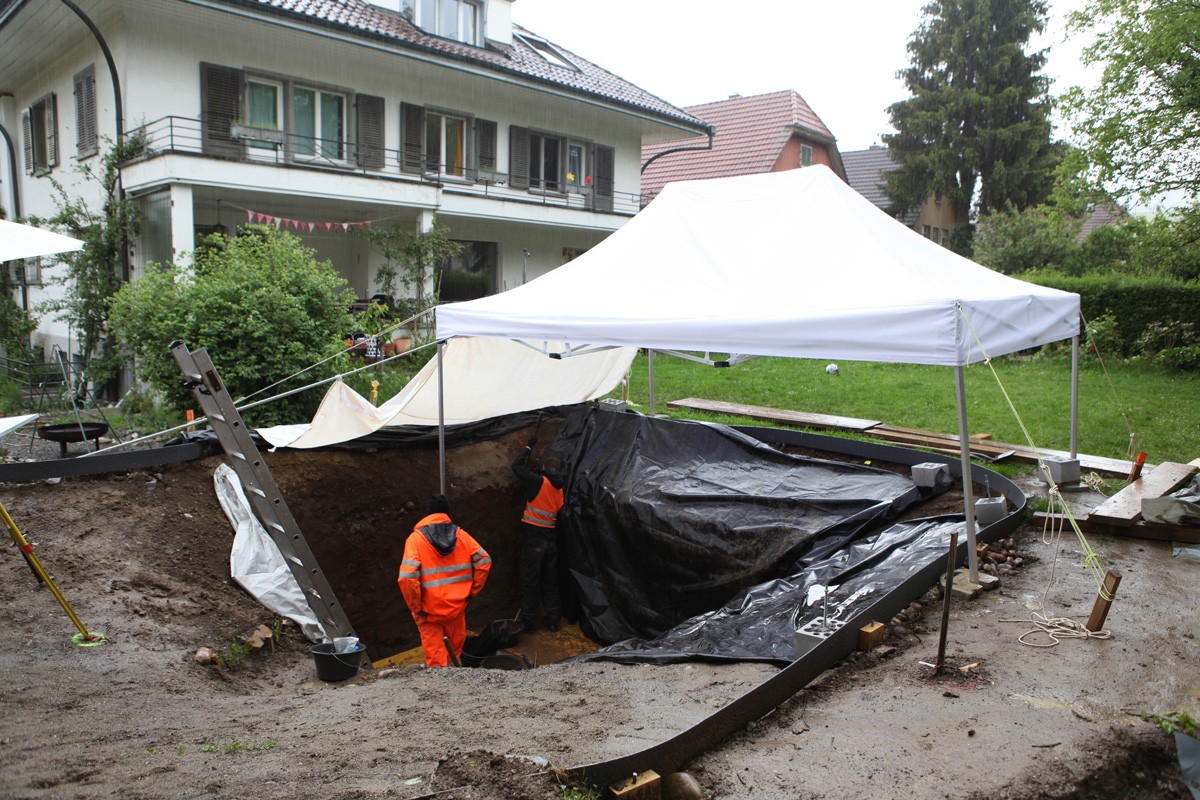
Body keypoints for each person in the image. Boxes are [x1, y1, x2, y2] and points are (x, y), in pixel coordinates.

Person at [397, 494, 491, 668]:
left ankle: (443, 691)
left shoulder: (416, 540)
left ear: (427, 513)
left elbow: (407, 577)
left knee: (436, 663)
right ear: (447, 512)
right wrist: (471, 592)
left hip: (429, 611)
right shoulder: (462, 536)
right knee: (454, 654)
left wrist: (416, 607)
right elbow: (484, 561)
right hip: (456, 608)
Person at [512, 439, 566, 633]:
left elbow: (516, 466)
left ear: (543, 468)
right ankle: (553, 620)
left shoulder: (538, 482)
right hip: (551, 541)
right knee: (550, 581)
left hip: (535, 540)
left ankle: (528, 622)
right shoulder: (559, 489)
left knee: (530, 580)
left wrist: (527, 448)